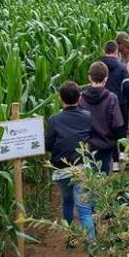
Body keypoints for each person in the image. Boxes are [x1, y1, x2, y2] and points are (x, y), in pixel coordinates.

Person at [45, 81, 95, 241]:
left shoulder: (54, 120)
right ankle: (92, 250)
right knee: (85, 210)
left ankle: (71, 238)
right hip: (81, 167)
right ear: (79, 97)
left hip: (61, 169)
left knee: (67, 202)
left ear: (61, 99)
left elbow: (48, 145)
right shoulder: (87, 116)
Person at [79, 62, 124, 175]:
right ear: (106, 78)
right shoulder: (111, 98)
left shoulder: (80, 98)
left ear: (89, 77)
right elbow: (117, 124)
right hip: (106, 146)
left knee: (89, 178)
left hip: (86, 146)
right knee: (103, 176)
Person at [100, 41, 129, 172]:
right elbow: (128, 85)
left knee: (110, 131)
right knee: (122, 129)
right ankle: (123, 156)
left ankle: (115, 163)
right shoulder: (121, 67)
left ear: (104, 51)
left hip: (104, 103)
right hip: (120, 102)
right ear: (116, 52)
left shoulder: (99, 66)